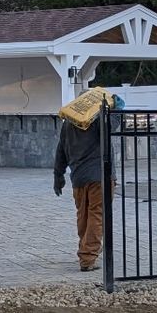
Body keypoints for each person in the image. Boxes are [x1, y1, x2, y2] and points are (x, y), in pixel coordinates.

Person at [55, 88, 116, 272]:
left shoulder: (68, 124)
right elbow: (112, 127)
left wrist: (58, 175)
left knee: (83, 216)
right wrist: (117, 109)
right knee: (97, 215)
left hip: (79, 178)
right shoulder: (97, 120)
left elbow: (61, 151)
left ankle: (85, 250)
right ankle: (88, 258)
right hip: (100, 177)